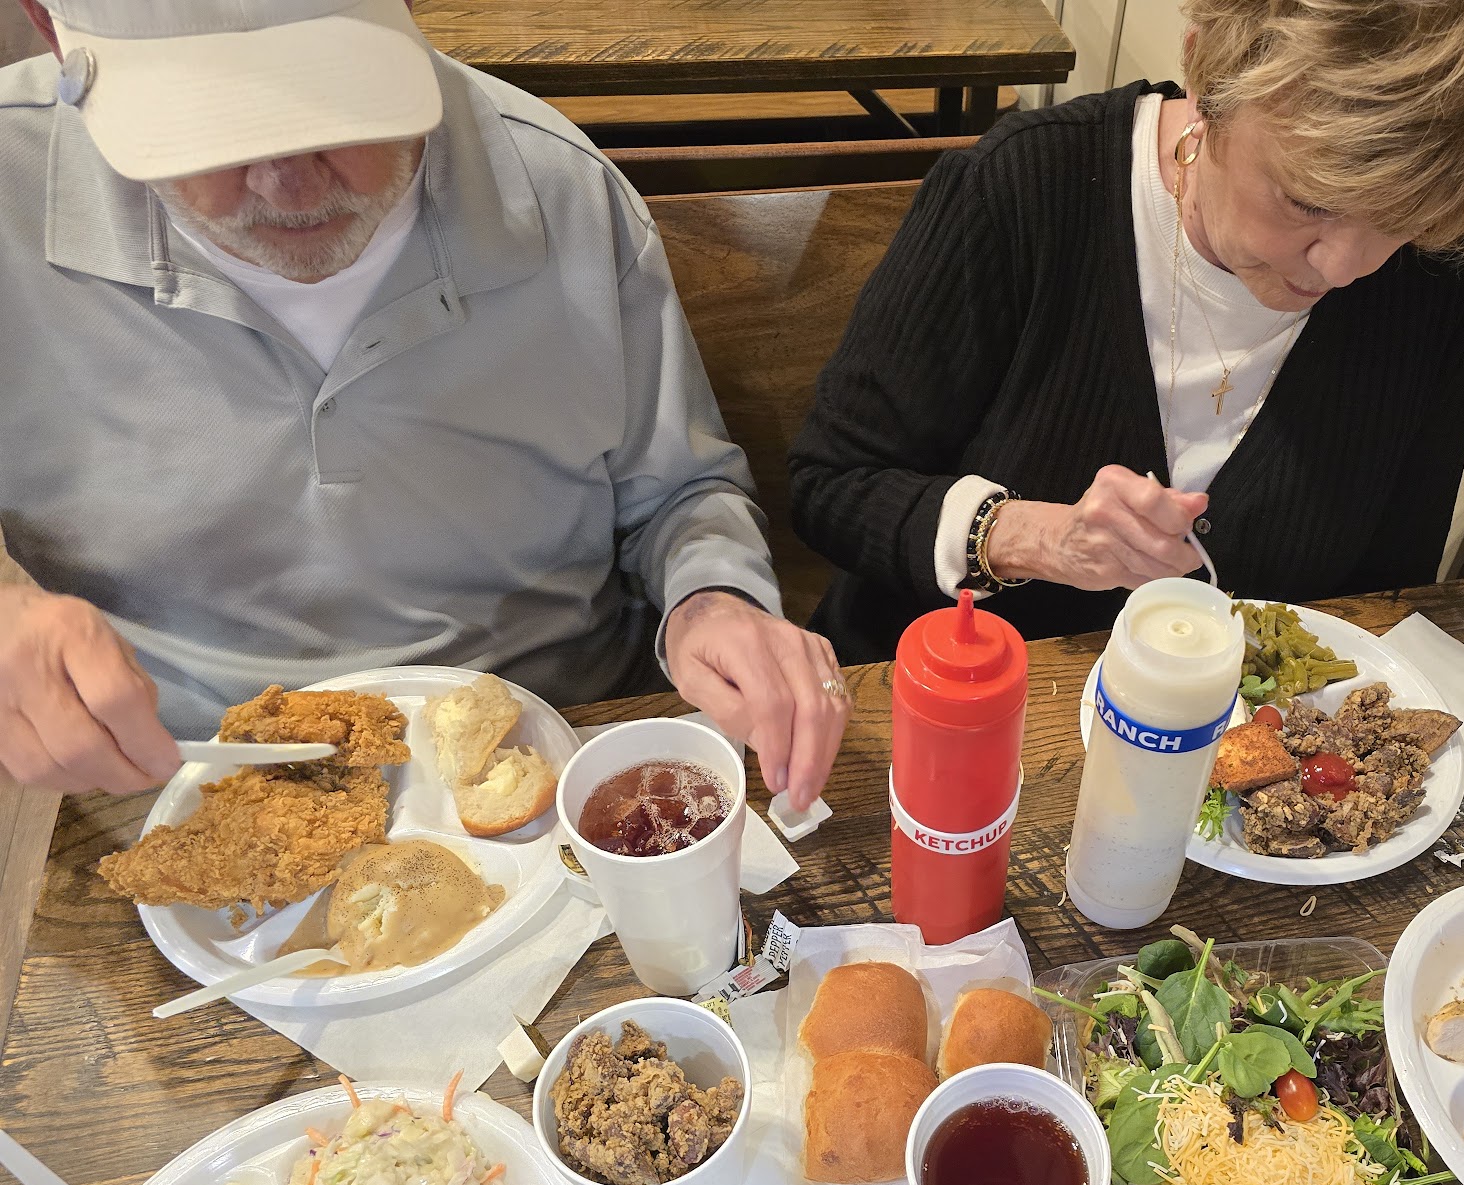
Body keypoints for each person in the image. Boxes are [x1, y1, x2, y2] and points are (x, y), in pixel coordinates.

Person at [0, 0, 848, 802]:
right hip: (176, 768)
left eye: (336, 104)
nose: (288, 186)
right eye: (198, 129)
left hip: (555, 739)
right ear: (50, 28)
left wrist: (712, 601)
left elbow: (679, 492)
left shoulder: (555, 186)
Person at [791, 0, 1464, 663]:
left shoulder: (1443, 276)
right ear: (1209, 72)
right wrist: (1034, 536)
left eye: (1406, 216)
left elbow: (1388, 591)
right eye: (1307, 199)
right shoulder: (1026, 191)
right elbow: (832, 482)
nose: (1347, 264)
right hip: (938, 724)